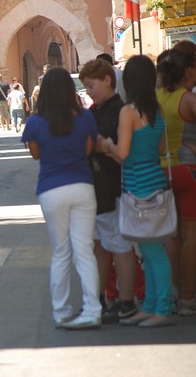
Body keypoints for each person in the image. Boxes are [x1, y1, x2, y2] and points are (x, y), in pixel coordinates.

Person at [21, 67, 101, 330]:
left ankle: (61, 311)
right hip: (82, 185)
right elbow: (88, 150)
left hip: (51, 189)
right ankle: (92, 310)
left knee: (61, 251)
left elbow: (36, 154)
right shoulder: (86, 118)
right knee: (84, 250)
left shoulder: (34, 122)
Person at [101, 54, 174, 327]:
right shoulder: (158, 111)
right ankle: (152, 305)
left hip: (137, 187)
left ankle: (163, 307)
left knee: (152, 252)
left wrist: (107, 145)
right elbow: (161, 150)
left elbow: (122, 153)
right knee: (150, 249)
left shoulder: (128, 112)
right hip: (155, 182)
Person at [79, 58, 139, 323]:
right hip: (97, 187)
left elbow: (102, 144)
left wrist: (98, 144)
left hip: (111, 186)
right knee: (100, 246)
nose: (89, 92)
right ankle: (103, 298)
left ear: (107, 80)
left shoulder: (117, 110)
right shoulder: (98, 110)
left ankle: (126, 301)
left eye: (91, 86)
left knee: (118, 245)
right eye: (86, 87)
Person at [156, 42, 196, 316]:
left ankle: (170, 291)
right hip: (189, 169)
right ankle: (188, 298)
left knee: (172, 235)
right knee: (192, 236)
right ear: (188, 72)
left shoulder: (157, 98)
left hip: (163, 170)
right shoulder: (188, 99)